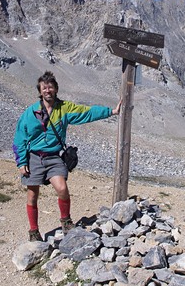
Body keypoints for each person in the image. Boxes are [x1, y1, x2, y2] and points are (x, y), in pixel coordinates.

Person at [13, 71, 121, 241]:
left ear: (56, 89)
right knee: (32, 195)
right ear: (40, 91)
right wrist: (21, 161)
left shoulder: (64, 108)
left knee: (62, 188)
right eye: (44, 88)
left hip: (54, 157)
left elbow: (86, 112)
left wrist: (111, 111)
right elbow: (20, 137)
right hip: (34, 157)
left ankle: (66, 221)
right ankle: (33, 231)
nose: (47, 90)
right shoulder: (30, 112)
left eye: (50, 87)